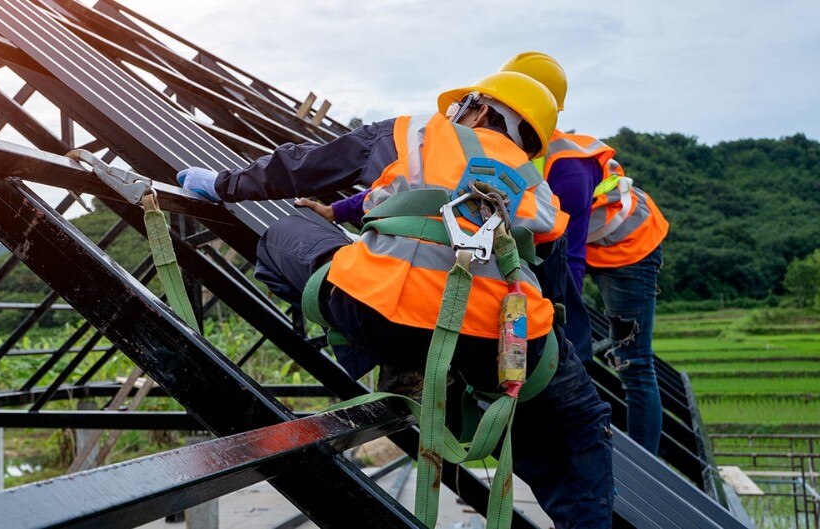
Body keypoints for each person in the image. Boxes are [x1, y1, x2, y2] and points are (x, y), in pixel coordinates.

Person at [178, 71, 614, 527]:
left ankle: (403, 361)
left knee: (286, 234)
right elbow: (559, 288)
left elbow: (305, 166)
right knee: (579, 426)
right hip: (501, 341)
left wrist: (224, 184)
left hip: (379, 312)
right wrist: (560, 374)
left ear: (481, 108)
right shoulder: (537, 187)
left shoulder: (416, 130)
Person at [501, 52, 671, 455]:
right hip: (593, 243)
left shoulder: (568, 165)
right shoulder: (521, 151)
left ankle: (645, 461)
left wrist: (559, 321)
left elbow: (569, 256)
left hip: (628, 249)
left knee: (633, 362)